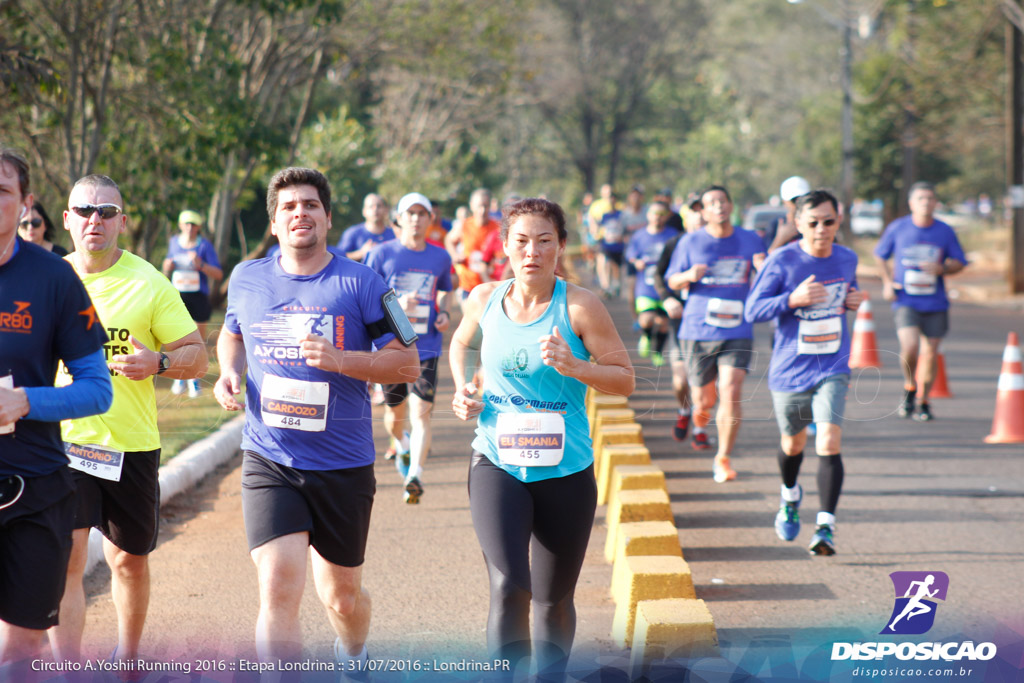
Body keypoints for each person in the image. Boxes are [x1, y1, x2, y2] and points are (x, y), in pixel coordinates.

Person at [214, 167, 419, 666]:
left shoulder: (367, 282)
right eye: (288, 207)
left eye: (309, 205)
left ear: (328, 218)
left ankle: (354, 652)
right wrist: (228, 372)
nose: (299, 213)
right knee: (278, 586)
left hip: (342, 465)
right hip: (271, 458)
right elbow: (232, 334)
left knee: (342, 599)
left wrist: (343, 360)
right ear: (275, 222)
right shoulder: (247, 277)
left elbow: (408, 361)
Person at [450, 198, 634, 679]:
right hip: (496, 461)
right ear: (505, 247)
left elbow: (624, 379)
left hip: (566, 470)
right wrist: (463, 388)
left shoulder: (579, 306)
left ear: (561, 246)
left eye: (544, 240)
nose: (532, 251)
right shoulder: (484, 298)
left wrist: (576, 367)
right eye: (522, 241)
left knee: (553, 601)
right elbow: (459, 342)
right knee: (510, 585)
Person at [48, 175, 208, 663]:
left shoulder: (149, 282)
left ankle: (129, 660)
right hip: (63, 445)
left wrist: (158, 363)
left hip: (130, 445)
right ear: (67, 219)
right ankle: (68, 669)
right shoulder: (47, 280)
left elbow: (197, 356)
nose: (94, 220)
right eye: (84, 211)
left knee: (128, 562)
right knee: (68, 560)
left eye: (106, 212)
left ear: (123, 221)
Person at [0, 147, 111, 673]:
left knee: (22, 646)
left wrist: (26, 401)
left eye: (3, 190)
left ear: (25, 202)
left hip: (33, 489)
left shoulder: (54, 279)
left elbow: (97, 390)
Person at [745, 190, 865, 556]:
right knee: (793, 444)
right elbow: (753, 310)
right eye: (812, 223)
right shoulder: (782, 261)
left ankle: (825, 526)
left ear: (838, 221)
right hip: (790, 370)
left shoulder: (847, 258)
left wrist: (852, 300)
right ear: (798, 224)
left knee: (828, 440)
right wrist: (792, 300)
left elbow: (847, 290)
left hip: (832, 365)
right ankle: (789, 496)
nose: (821, 229)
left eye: (828, 222)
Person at [666, 185, 765, 482]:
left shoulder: (751, 240)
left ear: (731, 205)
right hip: (697, 329)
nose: (719, 206)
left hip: (738, 328)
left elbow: (768, 276)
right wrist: (687, 276)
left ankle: (722, 457)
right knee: (703, 399)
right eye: (712, 203)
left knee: (731, 391)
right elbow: (671, 280)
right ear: (703, 211)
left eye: (723, 201)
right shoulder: (690, 242)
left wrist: (762, 268)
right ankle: (698, 414)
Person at [365, 193, 454, 504]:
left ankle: (415, 474)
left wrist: (443, 313)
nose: (416, 219)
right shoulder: (380, 255)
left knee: (422, 412)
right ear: (398, 219)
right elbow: (366, 299)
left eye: (422, 213)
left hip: (426, 345)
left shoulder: (440, 257)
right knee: (396, 414)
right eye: (410, 213)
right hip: (391, 345)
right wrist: (395, 306)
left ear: (430, 220)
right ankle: (401, 443)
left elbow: (445, 291)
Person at [873, 181, 967, 422]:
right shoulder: (898, 228)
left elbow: (959, 262)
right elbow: (879, 255)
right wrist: (886, 282)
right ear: (911, 203)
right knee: (911, 346)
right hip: (906, 300)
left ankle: (924, 400)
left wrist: (942, 268)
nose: (926, 202)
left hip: (935, 303)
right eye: (921, 198)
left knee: (931, 352)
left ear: (935, 203)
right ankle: (909, 387)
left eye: (930, 198)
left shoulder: (944, 231)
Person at [652, 192, 704, 441]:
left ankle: (701, 428)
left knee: (705, 383)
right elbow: (657, 275)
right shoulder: (675, 244)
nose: (699, 216)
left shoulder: (722, 246)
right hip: (679, 322)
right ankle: (684, 410)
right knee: (680, 379)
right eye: (694, 211)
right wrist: (667, 299)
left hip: (711, 324)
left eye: (702, 211)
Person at [161, 209, 223, 397]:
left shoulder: (204, 246)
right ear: (180, 225)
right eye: (186, 224)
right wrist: (166, 267)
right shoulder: (173, 243)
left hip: (198, 298)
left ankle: (194, 381)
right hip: (177, 297)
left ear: (198, 227)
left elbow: (218, 274)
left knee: (196, 340)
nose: (189, 228)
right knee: (177, 340)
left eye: (193, 224)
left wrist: (201, 265)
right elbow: (164, 273)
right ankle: (180, 378)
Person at [625, 201, 680, 367]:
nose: (658, 217)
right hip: (646, 287)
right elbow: (630, 255)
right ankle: (647, 336)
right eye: (655, 213)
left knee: (663, 323)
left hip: (666, 289)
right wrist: (636, 262)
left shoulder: (673, 235)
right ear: (648, 215)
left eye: (662, 214)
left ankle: (657, 352)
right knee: (646, 320)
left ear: (666, 216)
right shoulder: (640, 236)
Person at [445, 187, 501, 304]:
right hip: (468, 285)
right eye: (479, 206)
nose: (483, 210)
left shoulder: (497, 228)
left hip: (490, 285)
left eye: (486, 206)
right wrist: (455, 255)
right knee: (471, 320)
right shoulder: (464, 226)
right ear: (471, 206)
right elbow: (449, 240)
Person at [336, 193, 394, 262]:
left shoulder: (394, 234)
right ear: (364, 211)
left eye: (379, 206)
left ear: (386, 210)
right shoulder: (352, 233)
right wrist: (360, 253)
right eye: (371, 206)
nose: (375, 209)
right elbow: (337, 258)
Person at [590, 191, 626, 298]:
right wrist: (595, 234)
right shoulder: (604, 215)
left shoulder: (621, 214)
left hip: (618, 244)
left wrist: (623, 236)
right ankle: (606, 287)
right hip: (605, 243)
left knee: (616, 266)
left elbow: (625, 226)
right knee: (604, 262)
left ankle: (616, 285)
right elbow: (597, 224)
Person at [763, 175, 811, 252]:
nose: (799, 203)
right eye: (794, 200)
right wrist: (780, 239)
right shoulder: (775, 225)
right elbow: (767, 260)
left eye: (803, 199)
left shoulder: (817, 224)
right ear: (784, 201)